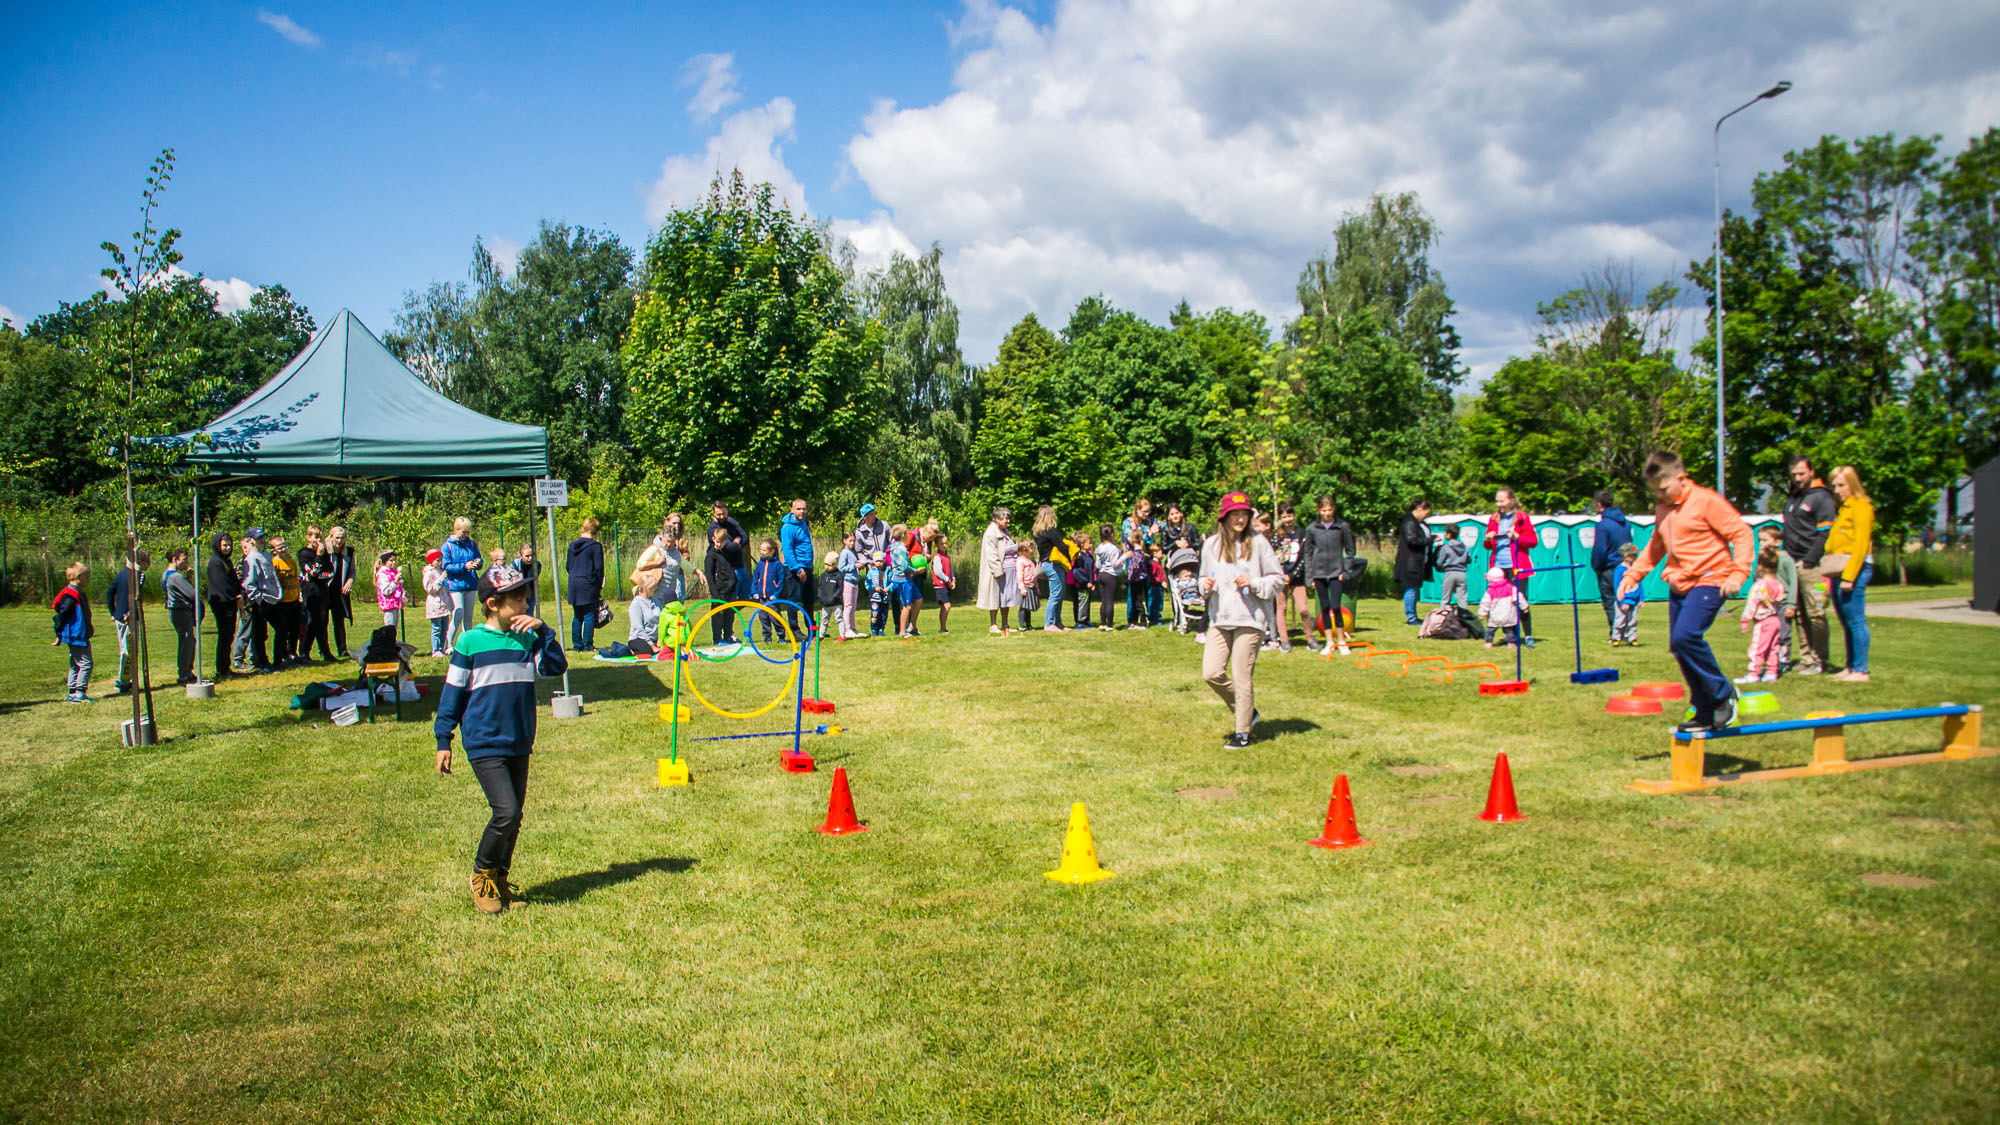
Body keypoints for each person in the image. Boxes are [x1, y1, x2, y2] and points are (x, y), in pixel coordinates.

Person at [433, 563, 568, 914]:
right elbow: (453, 694)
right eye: (519, 601)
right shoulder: (470, 641)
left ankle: (500, 881)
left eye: (527, 600)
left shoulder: (526, 638)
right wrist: (443, 739)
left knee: (515, 814)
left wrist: (544, 632)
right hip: (484, 741)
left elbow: (556, 667)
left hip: (519, 739)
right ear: (493, 604)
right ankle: (481, 873)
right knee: (505, 811)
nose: (526, 607)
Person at [1618, 451, 1753, 734]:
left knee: (1686, 636)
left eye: (1664, 489)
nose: (1661, 497)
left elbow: (1741, 533)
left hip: (1711, 578)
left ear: (1680, 478)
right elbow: (1657, 545)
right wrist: (1633, 574)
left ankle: (1723, 693)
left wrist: (1739, 573)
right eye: (1655, 492)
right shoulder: (1663, 508)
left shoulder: (1706, 501)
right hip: (1680, 584)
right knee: (1679, 646)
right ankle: (1704, 709)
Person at [1199, 492, 1284, 749]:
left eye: (1244, 514)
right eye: (1235, 514)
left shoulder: (1259, 543)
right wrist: (1205, 585)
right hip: (1220, 618)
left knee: (1241, 675)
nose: (1240, 519)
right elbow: (1202, 579)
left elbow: (1277, 579)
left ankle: (1242, 732)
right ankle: (1248, 712)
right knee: (1211, 672)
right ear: (1225, 517)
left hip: (1250, 618)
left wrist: (1255, 583)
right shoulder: (1211, 545)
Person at [1780, 454, 1837, 675]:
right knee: (1798, 614)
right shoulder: (1794, 497)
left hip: (1812, 566)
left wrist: (1809, 560)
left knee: (1817, 613)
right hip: (1792, 564)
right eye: (1794, 474)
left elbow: (1824, 534)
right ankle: (1806, 658)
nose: (1797, 478)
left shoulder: (1821, 497)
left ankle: (1820, 658)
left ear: (1812, 471)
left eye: (1801, 473)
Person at [1824, 465, 1875, 683]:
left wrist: (1849, 577)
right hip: (1839, 569)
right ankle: (1850, 666)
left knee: (1855, 620)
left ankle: (1861, 669)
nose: (1837, 490)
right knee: (1846, 621)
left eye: (1841, 485)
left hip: (1855, 569)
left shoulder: (1861, 506)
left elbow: (1861, 544)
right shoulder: (1844, 508)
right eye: (1834, 485)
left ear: (1852, 484)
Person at [1300, 496, 1355, 655]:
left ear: (1334, 509)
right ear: (1318, 510)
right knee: (1324, 607)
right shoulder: (1312, 528)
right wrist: (1309, 577)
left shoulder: (1341, 526)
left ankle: (1341, 641)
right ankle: (1329, 642)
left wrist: (1345, 570)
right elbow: (1308, 553)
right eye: (1324, 510)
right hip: (1319, 573)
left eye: (1330, 510)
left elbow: (1350, 550)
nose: (1327, 513)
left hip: (1336, 573)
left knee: (1336, 606)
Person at [1485, 488, 1537, 647]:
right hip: (1498, 567)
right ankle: (1511, 638)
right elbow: (1487, 545)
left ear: (1511, 501)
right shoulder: (1494, 518)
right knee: (1499, 601)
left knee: (1519, 601)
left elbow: (1533, 541)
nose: (1498, 504)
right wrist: (1488, 539)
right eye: (1497, 501)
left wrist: (1517, 537)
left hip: (1517, 566)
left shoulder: (1522, 518)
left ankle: (1527, 635)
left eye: (1502, 500)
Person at [1737, 548, 1788, 684]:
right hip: (1776, 619)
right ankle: (1771, 672)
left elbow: (1752, 603)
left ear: (1760, 567)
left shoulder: (1759, 586)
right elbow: (1781, 599)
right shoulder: (1778, 585)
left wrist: (1745, 619)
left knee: (1757, 648)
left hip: (1763, 621)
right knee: (1773, 648)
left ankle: (1753, 673)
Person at [1588, 490, 1634, 639]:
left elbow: (1600, 550)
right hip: (1626, 565)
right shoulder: (1625, 523)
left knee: (1610, 601)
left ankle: (1616, 633)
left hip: (1610, 568)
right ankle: (1628, 631)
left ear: (1599, 504)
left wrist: (1597, 567)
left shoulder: (1603, 525)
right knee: (1626, 599)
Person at [105, 548, 149, 692]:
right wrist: (128, 613)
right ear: (140, 562)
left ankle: (127, 679)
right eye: (148, 562)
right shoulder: (138, 576)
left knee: (127, 648)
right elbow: (135, 597)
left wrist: (113, 612)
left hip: (120, 616)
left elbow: (109, 592)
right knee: (128, 649)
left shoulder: (122, 573)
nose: (149, 565)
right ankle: (123, 681)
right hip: (127, 617)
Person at [1755, 525, 1799, 665]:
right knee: (1767, 633)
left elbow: (1793, 582)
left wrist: (1791, 604)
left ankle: (1783, 661)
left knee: (1783, 633)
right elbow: (1757, 578)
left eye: (1765, 540)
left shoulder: (1786, 559)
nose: (1761, 544)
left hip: (1783, 602)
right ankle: (1770, 661)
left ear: (1777, 542)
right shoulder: (1764, 559)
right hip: (1768, 603)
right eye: (1760, 540)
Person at [1275, 502, 1316, 649]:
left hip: (1297, 577)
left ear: (1294, 515)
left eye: (1290, 515)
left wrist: (1292, 576)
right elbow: (1274, 556)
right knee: (1282, 608)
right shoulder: (1277, 535)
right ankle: (1284, 639)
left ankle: (1310, 638)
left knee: (1303, 609)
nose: (1287, 519)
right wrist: (1281, 575)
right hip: (1281, 577)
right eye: (1284, 517)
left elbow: (1304, 557)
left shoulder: (1302, 533)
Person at [441, 518, 483, 653]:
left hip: (471, 583)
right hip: (455, 585)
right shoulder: (447, 546)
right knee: (458, 612)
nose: (467, 535)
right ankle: (449, 644)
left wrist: (478, 562)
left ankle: (468, 644)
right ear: (456, 530)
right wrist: (464, 566)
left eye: (468, 532)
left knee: (468, 616)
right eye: (464, 532)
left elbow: (479, 558)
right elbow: (446, 566)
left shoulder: (471, 544)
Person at [55, 562, 95, 703]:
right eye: (86, 577)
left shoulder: (74, 592)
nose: (88, 580)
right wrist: (58, 632)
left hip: (75, 634)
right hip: (76, 634)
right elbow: (62, 615)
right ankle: (80, 692)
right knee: (86, 663)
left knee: (75, 662)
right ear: (78, 577)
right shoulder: (72, 595)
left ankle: (72, 691)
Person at [202, 532, 240, 682]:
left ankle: (226, 667)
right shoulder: (216, 562)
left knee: (228, 636)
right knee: (225, 636)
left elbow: (233, 581)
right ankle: (222, 670)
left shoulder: (226, 561)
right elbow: (221, 585)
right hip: (222, 604)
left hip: (230, 603)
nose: (227, 548)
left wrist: (239, 593)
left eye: (229, 545)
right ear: (218, 545)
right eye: (224, 545)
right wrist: (234, 597)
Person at [242, 531, 281, 672]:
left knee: (281, 628)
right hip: (261, 601)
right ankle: (263, 663)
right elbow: (248, 583)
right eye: (258, 538)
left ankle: (279, 659)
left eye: (263, 538)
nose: (261, 541)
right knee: (259, 633)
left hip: (273, 598)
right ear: (250, 540)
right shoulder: (251, 559)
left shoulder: (266, 555)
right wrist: (259, 599)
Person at [566, 518, 606, 653]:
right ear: (595, 531)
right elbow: (598, 568)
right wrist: (599, 584)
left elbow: (568, 566)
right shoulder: (595, 547)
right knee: (589, 615)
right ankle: (588, 645)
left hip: (574, 583)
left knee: (577, 616)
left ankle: (577, 645)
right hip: (588, 583)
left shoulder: (572, 545)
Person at [297, 526, 334, 663]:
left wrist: (321, 574)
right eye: (315, 537)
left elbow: (330, 571)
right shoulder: (304, 553)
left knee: (319, 622)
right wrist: (318, 557)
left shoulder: (324, 553)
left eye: (319, 537)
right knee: (317, 622)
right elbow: (312, 572)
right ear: (308, 537)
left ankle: (305, 651)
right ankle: (325, 651)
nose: (317, 540)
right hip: (311, 591)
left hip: (323, 590)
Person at [1393, 500, 1434, 626]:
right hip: (1410, 563)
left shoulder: (1418, 523)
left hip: (1417, 562)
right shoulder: (1409, 521)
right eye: (1426, 513)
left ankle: (1413, 616)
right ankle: (1411, 617)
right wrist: (1429, 541)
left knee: (1414, 589)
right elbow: (1412, 540)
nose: (1426, 516)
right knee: (1411, 589)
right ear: (1420, 509)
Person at [162, 548, 198, 684]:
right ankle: (184, 672)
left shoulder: (166, 575)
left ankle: (186, 671)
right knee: (187, 642)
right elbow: (192, 594)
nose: (186, 563)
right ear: (174, 560)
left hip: (175, 611)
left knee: (187, 641)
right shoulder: (176, 577)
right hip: (181, 611)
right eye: (184, 560)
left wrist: (188, 579)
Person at [977, 507, 1015, 634]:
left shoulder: (1005, 531)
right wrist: (998, 571)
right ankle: (993, 625)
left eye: (1008, 518)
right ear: (996, 519)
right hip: (996, 572)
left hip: (1007, 570)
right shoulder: (991, 532)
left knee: (1005, 598)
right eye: (1005, 518)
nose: (1007, 521)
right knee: (994, 598)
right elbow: (991, 554)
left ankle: (1005, 624)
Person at [1031, 506, 1069, 633]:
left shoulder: (1037, 532)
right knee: (1056, 594)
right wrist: (1072, 555)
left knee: (1059, 593)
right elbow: (1061, 545)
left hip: (1046, 563)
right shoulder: (1050, 531)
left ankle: (1057, 622)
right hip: (1053, 564)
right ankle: (1050, 623)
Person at [324, 526, 358, 658]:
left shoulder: (348, 552)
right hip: (326, 589)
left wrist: (350, 581)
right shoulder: (324, 551)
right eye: (337, 538)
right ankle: (325, 650)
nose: (339, 541)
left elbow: (352, 572)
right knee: (323, 621)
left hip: (340, 591)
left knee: (339, 621)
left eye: (342, 538)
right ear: (331, 537)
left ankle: (342, 649)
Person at [703, 525, 739, 646]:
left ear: (725, 541)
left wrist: (734, 583)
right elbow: (709, 575)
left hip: (730, 589)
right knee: (718, 615)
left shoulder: (727, 553)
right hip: (719, 590)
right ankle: (717, 638)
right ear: (713, 539)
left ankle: (728, 635)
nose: (718, 544)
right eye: (717, 542)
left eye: (721, 542)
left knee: (730, 614)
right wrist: (714, 593)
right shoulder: (711, 555)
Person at [707, 501, 750, 601]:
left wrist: (736, 544)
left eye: (724, 513)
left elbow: (744, 537)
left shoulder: (731, 522)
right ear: (713, 513)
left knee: (746, 598)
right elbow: (728, 547)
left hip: (739, 565)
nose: (722, 516)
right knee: (729, 601)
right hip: (726, 569)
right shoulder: (713, 529)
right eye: (719, 514)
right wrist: (736, 541)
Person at [270, 535, 301, 665]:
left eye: (285, 546)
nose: (283, 549)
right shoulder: (274, 563)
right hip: (282, 602)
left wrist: (299, 595)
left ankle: (292, 653)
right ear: (274, 550)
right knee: (283, 630)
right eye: (280, 547)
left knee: (295, 629)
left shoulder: (291, 562)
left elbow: (295, 580)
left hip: (294, 600)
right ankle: (280, 657)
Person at [751, 539, 785, 643]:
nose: (762, 552)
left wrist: (776, 594)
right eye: (761, 550)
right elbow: (755, 578)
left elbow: (781, 581)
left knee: (775, 617)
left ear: (772, 551)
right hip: (762, 597)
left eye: (765, 550)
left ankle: (781, 636)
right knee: (763, 617)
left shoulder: (777, 564)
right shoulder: (760, 564)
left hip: (772, 597)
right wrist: (754, 592)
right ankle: (767, 637)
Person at [1169, 546, 1206, 638]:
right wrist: (1178, 591)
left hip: (1194, 593)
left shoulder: (1193, 580)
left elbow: (1198, 586)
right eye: (1186, 576)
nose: (1188, 578)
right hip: (1186, 595)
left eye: (1189, 576)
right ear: (1180, 577)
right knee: (1189, 597)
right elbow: (1179, 588)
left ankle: (1195, 600)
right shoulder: (1181, 583)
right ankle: (1192, 601)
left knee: (1197, 596)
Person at [890, 527, 920, 638]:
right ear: (903, 535)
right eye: (907, 533)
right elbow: (904, 567)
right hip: (902, 580)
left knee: (919, 599)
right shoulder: (901, 548)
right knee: (907, 606)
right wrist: (916, 571)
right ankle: (902, 632)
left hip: (908, 579)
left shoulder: (895, 546)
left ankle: (912, 627)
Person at [1610, 543, 1642, 646]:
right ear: (1626, 556)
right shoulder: (1620, 569)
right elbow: (1617, 586)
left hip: (1634, 600)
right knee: (1620, 620)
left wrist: (1641, 599)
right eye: (1633, 555)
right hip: (1623, 600)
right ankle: (1616, 637)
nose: (1635, 557)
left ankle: (1632, 638)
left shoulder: (1635, 569)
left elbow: (1639, 584)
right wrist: (1621, 601)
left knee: (1633, 620)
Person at [1093, 524, 1123, 631]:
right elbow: (1115, 564)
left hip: (1101, 574)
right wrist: (1125, 556)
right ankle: (1109, 625)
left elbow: (1097, 564)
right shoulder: (1114, 549)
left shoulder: (1099, 548)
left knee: (1104, 601)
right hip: (1111, 575)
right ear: (1112, 535)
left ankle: (1103, 623)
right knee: (1110, 601)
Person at [627, 570, 664, 655]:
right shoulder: (636, 604)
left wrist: (660, 639)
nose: (656, 588)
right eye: (654, 586)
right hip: (640, 638)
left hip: (656, 638)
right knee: (646, 651)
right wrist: (652, 646)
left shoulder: (656, 601)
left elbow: (662, 621)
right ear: (647, 588)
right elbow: (638, 629)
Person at [422, 549, 451, 657]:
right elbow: (430, 589)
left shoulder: (441, 571)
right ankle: (435, 649)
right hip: (435, 604)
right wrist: (440, 579)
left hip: (444, 603)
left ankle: (441, 648)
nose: (440, 562)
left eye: (441, 560)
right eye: (437, 560)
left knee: (444, 628)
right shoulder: (429, 573)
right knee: (436, 628)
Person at [1067, 529, 1096, 629]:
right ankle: (1080, 621)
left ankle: (1086, 620)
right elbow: (1076, 572)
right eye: (1089, 543)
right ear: (1082, 544)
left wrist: (1093, 582)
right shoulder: (1079, 557)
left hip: (1088, 583)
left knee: (1086, 601)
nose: (1091, 545)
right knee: (1081, 601)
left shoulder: (1089, 555)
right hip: (1081, 584)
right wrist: (1085, 581)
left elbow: (1091, 570)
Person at [1435, 530, 1471, 609]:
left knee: (1446, 598)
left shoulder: (1446, 547)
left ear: (1449, 534)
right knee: (1462, 598)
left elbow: (1439, 562)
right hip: (1462, 574)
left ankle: (1443, 616)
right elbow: (1469, 560)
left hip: (1449, 573)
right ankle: (1464, 617)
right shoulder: (1464, 547)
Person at [836, 531, 861, 640]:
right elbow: (841, 568)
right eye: (850, 541)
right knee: (848, 606)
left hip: (855, 581)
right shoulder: (845, 553)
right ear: (844, 541)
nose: (852, 543)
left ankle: (853, 628)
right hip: (847, 581)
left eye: (853, 541)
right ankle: (847, 629)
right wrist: (854, 566)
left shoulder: (852, 552)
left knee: (853, 606)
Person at [375, 550, 407, 629]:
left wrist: (404, 593)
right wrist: (395, 581)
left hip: (396, 604)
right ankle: (388, 641)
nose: (394, 563)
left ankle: (393, 641)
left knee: (394, 629)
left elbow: (398, 588)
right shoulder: (383, 573)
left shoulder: (393, 572)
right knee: (389, 629)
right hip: (388, 605)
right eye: (391, 560)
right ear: (385, 561)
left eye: (395, 560)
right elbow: (386, 591)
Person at [931, 535, 956, 634]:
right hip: (940, 585)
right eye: (942, 544)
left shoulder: (947, 557)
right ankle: (942, 628)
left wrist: (953, 580)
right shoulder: (937, 557)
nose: (944, 546)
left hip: (946, 584)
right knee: (947, 606)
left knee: (944, 608)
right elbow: (938, 572)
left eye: (945, 543)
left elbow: (951, 570)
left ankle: (943, 628)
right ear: (937, 545)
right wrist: (948, 581)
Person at [1015, 537, 1041, 633]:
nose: (1032, 550)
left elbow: (1034, 576)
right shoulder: (1021, 561)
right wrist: (1022, 588)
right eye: (1031, 548)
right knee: (1023, 607)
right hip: (1025, 586)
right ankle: (1022, 625)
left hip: (1031, 586)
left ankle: (1029, 625)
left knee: (1028, 607)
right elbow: (1019, 575)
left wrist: (1037, 587)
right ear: (1024, 550)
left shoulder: (1030, 561)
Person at [815, 552, 842, 637]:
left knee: (839, 619)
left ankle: (842, 635)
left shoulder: (838, 575)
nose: (827, 566)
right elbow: (820, 587)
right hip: (825, 603)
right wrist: (820, 596)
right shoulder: (823, 576)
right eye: (826, 564)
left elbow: (840, 588)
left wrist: (834, 597)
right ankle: (821, 635)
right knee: (824, 620)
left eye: (829, 565)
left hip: (836, 603)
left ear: (834, 565)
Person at [516, 542, 542, 618]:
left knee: (529, 616)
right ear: (520, 556)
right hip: (517, 594)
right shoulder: (515, 565)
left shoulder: (536, 565)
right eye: (527, 556)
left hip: (530, 593)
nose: (530, 558)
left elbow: (530, 579)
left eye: (532, 555)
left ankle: (529, 629)